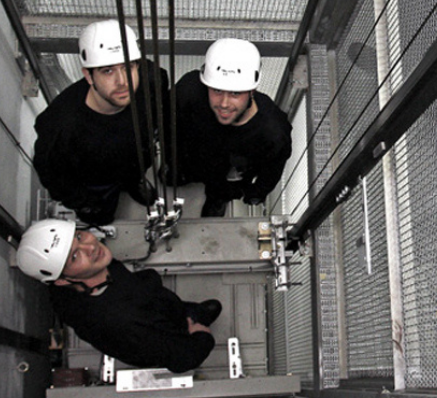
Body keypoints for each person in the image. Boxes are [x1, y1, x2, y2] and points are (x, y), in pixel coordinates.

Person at [16, 219, 220, 373]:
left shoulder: (75, 280)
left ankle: (189, 312)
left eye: (78, 236)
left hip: (153, 303)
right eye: (74, 256)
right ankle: (195, 320)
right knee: (192, 320)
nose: (91, 247)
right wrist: (202, 336)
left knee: (176, 307)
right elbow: (183, 359)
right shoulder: (124, 321)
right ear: (62, 280)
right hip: (163, 327)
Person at [33, 19, 167, 226]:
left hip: (134, 160)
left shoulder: (151, 80)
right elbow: (53, 177)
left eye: (128, 67)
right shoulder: (61, 126)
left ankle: (133, 183)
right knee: (101, 217)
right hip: (97, 182)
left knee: (135, 171)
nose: (122, 82)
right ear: (88, 76)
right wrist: (83, 202)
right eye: (108, 71)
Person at [173, 38, 292, 216]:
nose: (224, 103)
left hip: (227, 175)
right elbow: (171, 124)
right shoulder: (189, 91)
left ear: (252, 91)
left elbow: (273, 169)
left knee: (219, 191)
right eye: (217, 90)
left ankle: (216, 200)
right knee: (180, 173)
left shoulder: (273, 132)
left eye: (235, 93)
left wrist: (256, 193)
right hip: (195, 157)